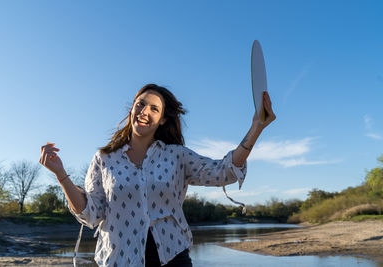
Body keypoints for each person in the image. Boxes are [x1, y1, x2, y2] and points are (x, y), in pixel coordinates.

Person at [39, 83, 275, 267]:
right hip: (119, 259)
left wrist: (256, 127)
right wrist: (61, 175)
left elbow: (223, 171)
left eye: (154, 108)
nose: (144, 111)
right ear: (132, 107)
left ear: (162, 119)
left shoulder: (176, 156)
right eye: (140, 104)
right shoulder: (104, 159)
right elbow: (91, 212)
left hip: (172, 258)